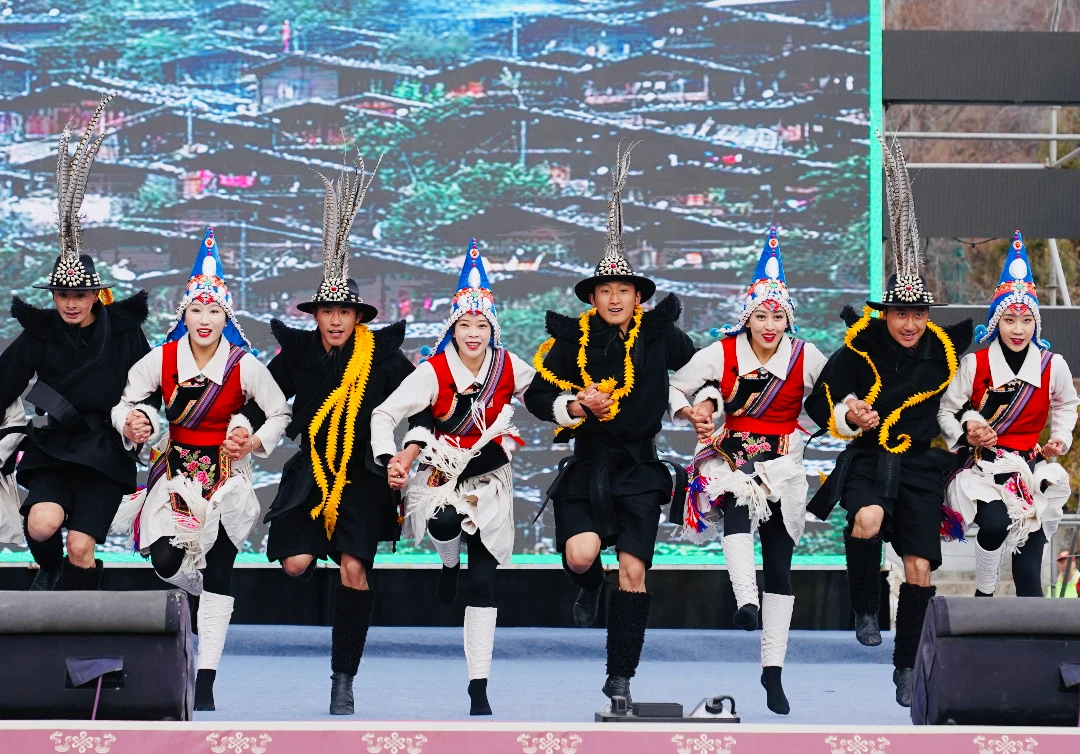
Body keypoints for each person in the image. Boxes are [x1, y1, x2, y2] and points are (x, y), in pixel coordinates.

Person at [523, 143, 696, 708]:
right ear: (593, 297)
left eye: (624, 290)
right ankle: (586, 586)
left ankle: (620, 676)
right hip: (588, 468)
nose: (615, 298)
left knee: (634, 571)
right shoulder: (571, 340)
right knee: (580, 556)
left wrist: (700, 404)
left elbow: (701, 370)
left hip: (640, 470)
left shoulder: (661, 335)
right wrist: (576, 406)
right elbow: (537, 395)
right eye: (606, 291)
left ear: (638, 297)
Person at [804, 133, 972, 708]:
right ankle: (864, 607)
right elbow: (819, 403)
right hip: (870, 457)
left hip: (921, 464)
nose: (910, 323)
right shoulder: (859, 347)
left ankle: (906, 665)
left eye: (918, 313)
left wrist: (973, 428)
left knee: (921, 566)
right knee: (868, 518)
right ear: (886, 313)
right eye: (901, 313)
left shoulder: (944, 355)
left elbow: (959, 404)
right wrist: (850, 413)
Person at [257, 156, 423, 715]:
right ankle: (321, 544)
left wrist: (408, 452)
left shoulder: (383, 358)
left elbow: (420, 406)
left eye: (344, 312)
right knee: (295, 565)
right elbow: (261, 397)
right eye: (326, 311)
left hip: (364, 475)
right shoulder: (298, 354)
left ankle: (343, 677)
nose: (334, 319)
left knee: (354, 570)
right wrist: (239, 428)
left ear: (358, 316)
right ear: (316, 314)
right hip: (312, 471)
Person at [110, 228, 291, 711]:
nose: (205, 319)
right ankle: (198, 583)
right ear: (183, 315)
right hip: (176, 473)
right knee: (166, 560)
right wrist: (132, 421)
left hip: (227, 478)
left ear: (226, 316)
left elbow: (279, 412)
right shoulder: (162, 358)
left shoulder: (244, 365)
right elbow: (127, 402)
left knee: (221, 570)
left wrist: (254, 440)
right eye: (196, 310)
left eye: (214, 311)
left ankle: (206, 677)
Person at [371, 238, 536, 717]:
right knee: (444, 524)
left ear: (492, 329)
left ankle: (478, 686)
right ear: (452, 328)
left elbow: (543, 398)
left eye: (481, 325)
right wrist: (390, 459)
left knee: (484, 586)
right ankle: (447, 561)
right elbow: (384, 414)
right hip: (442, 478)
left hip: (492, 483)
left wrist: (574, 407)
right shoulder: (434, 371)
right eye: (465, 324)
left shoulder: (508, 366)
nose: (473, 333)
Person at [668, 228, 827, 715]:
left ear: (788, 318)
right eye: (761, 315)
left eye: (778, 316)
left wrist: (802, 430)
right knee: (736, 505)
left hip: (784, 466)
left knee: (779, 565)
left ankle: (772, 670)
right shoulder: (722, 352)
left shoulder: (806, 355)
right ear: (747, 316)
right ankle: (745, 602)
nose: (769, 325)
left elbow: (832, 401)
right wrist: (690, 412)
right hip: (733, 457)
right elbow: (675, 387)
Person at [0, 95, 154, 590]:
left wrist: (144, 421)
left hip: (105, 446)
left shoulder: (124, 330)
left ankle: (81, 625)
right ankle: (48, 572)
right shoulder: (40, 332)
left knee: (82, 548)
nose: (70, 304)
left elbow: (152, 383)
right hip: (53, 443)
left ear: (95, 295)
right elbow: (4, 382)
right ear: (54, 296)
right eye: (63, 295)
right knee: (41, 525)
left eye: (79, 296)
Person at [938, 231, 1078, 597]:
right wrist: (967, 432)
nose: (1018, 329)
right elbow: (947, 410)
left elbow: (1067, 403)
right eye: (1010, 320)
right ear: (996, 321)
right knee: (995, 523)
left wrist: (1060, 438)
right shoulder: (975, 364)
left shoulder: (1053, 365)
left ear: (1036, 324)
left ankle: (1030, 629)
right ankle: (984, 595)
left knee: (1030, 571)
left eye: (1027, 320)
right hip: (984, 469)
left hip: (1030, 470)